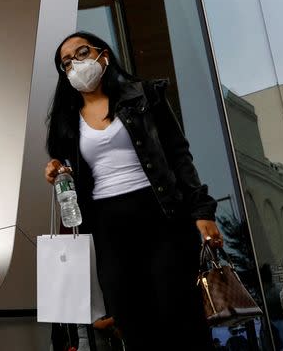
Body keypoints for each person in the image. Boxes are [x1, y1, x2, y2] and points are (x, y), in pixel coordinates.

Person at [44, 32, 221, 351]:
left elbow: (178, 153)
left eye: (82, 52)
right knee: (133, 321)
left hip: (162, 216)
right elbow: (69, 166)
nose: (75, 64)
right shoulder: (67, 120)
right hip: (108, 228)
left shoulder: (144, 94)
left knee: (178, 314)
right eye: (66, 62)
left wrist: (202, 211)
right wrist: (58, 169)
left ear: (103, 55)